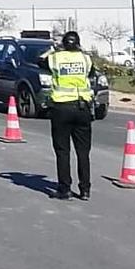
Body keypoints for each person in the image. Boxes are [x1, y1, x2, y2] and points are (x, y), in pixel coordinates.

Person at [45, 29, 96, 200]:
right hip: (83, 108)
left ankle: (64, 188)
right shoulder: (85, 59)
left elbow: (39, 62)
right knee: (83, 152)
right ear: (79, 43)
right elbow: (92, 73)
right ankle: (85, 190)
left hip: (61, 108)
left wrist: (54, 48)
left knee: (62, 151)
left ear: (63, 43)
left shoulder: (55, 58)